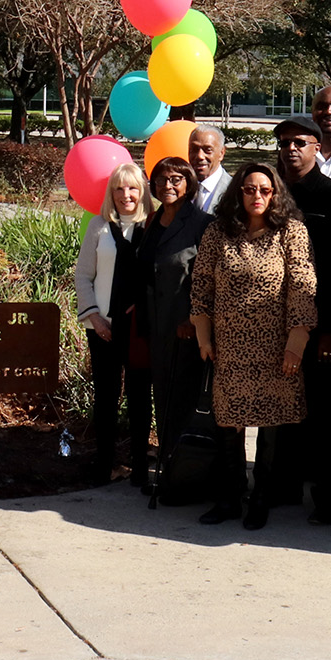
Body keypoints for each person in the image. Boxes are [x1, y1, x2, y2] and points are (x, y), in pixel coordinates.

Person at [189, 163, 316, 529]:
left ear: (275, 194)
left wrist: (296, 342)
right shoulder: (218, 232)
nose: (257, 196)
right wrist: (203, 335)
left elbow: (303, 287)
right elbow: (201, 287)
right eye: (249, 189)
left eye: (264, 190)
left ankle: (261, 497)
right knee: (228, 422)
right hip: (228, 346)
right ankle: (230, 495)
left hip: (276, 347)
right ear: (238, 192)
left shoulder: (291, 232)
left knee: (270, 424)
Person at [271, 114, 331, 524]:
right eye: (285, 143)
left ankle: (329, 499)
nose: (291, 149)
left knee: (327, 416)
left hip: (322, 325)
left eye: (300, 142)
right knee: (285, 409)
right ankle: (283, 487)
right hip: (275, 323)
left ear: (316, 147)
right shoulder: (269, 194)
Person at [73, 160, 152, 486]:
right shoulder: (98, 226)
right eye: (119, 188)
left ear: (142, 191)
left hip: (137, 328)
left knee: (138, 398)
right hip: (101, 326)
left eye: (132, 187)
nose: (125, 195)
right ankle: (104, 464)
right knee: (105, 398)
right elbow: (83, 275)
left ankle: (139, 467)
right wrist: (93, 316)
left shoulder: (153, 228)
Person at [137, 155, 212, 480]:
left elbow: (209, 279)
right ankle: (167, 465)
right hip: (156, 327)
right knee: (163, 398)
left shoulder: (201, 224)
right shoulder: (153, 221)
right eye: (162, 180)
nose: (168, 186)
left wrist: (194, 320)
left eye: (176, 180)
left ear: (188, 184)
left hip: (186, 330)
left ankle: (184, 472)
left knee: (183, 400)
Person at [188, 125, 231, 214]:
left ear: (221, 153)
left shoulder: (234, 191)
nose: (200, 156)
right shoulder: (180, 188)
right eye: (194, 149)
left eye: (208, 150)